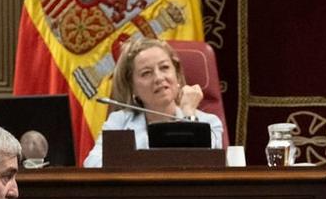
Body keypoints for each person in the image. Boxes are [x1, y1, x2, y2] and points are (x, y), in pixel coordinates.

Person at [83, 34, 224, 166]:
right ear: (132, 87)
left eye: (164, 68)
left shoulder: (210, 123)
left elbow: (203, 166)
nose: (159, 78)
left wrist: (189, 115)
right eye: (146, 73)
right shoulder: (119, 123)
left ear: (177, 75)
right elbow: (92, 165)